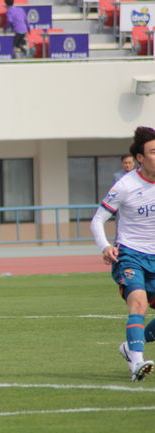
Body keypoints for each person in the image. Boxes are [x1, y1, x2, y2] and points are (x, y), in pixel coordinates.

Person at [90, 126, 155, 382]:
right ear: (140, 157)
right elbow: (98, 219)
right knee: (138, 302)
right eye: (153, 151)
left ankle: (130, 346)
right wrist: (105, 246)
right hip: (130, 255)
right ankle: (137, 363)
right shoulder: (126, 185)